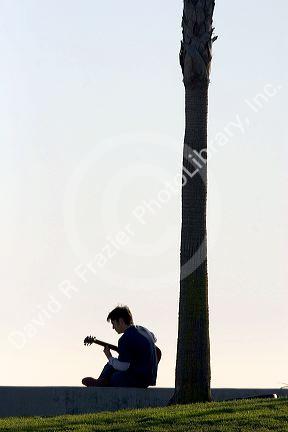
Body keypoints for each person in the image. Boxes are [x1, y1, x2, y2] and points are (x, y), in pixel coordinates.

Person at [82, 305, 158, 388]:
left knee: (114, 375)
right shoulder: (145, 330)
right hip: (149, 379)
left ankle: (100, 383)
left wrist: (109, 356)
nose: (113, 327)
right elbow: (154, 338)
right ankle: (101, 382)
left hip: (137, 380)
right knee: (113, 365)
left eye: (113, 323)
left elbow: (124, 367)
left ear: (121, 321)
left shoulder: (125, 338)